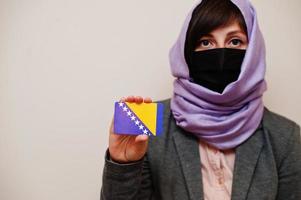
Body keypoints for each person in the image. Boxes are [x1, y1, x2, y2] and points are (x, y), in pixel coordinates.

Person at [100, 0, 301, 199]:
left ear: (254, 52)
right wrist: (123, 165)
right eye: (206, 42)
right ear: (187, 51)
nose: (221, 54)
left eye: (235, 41)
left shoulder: (285, 135)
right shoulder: (145, 120)